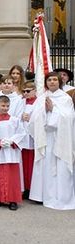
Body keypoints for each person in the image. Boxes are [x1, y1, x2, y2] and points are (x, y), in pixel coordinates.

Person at [28, 72, 75, 210]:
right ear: (46, 82)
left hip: (60, 138)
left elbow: (69, 118)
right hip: (46, 138)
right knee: (46, 165)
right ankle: (42, 195)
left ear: (59, 81)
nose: (52, 82)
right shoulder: (42, 97)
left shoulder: (65, 98)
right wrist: (43, 112)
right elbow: (34, 118)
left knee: (60, 166)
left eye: (55, 79)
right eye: (49, 80)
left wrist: (53, 110)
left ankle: (62, 197)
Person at [0, 95, 26, 211]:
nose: (5, 108)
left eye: (7, 106)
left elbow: (21, 133)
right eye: (2, 106)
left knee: (12, 177)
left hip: (12, 152)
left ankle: (13, 200)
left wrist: (12, 141)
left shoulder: (15, 120)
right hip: (0, 152)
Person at [20, 81, 37, 199]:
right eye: (24, 91)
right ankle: (24, 187)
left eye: (28, 91)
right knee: (24, 164)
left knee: (31, 164)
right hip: (22, 137)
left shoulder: (38, 102)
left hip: (33, 137)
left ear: (35, 91)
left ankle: (32, 187)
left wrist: (32, 118)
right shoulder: (20, 102)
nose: (25, 93)